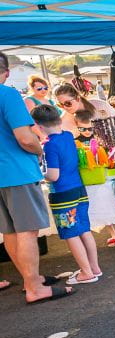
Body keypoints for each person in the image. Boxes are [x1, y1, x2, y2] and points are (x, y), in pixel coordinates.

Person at [0, 51, 72, 302]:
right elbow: (25, 138)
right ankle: (34, 288)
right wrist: (41, 149)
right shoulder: (7, 94)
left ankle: (31, 280)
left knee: (9, 232)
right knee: (27, 231)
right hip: (16, 172)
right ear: (6, 72)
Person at [55, 83, 115, 246]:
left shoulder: (100, 106)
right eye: (60, 104)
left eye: (67, 103)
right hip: (93, 163)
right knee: (102, 195)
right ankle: (112, 231)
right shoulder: (65, 120)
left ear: (77, 98)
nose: (65, 107)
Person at [31, 105, 101, 285]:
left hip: (62, 194)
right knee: (84, 230)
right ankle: (94, 268)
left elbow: (53, 175)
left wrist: (38, 170)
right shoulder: (68, 136)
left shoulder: (49, 146)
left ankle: (86, 272)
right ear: (59, 119)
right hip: (79, 189)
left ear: (38, 126)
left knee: (71, 233)